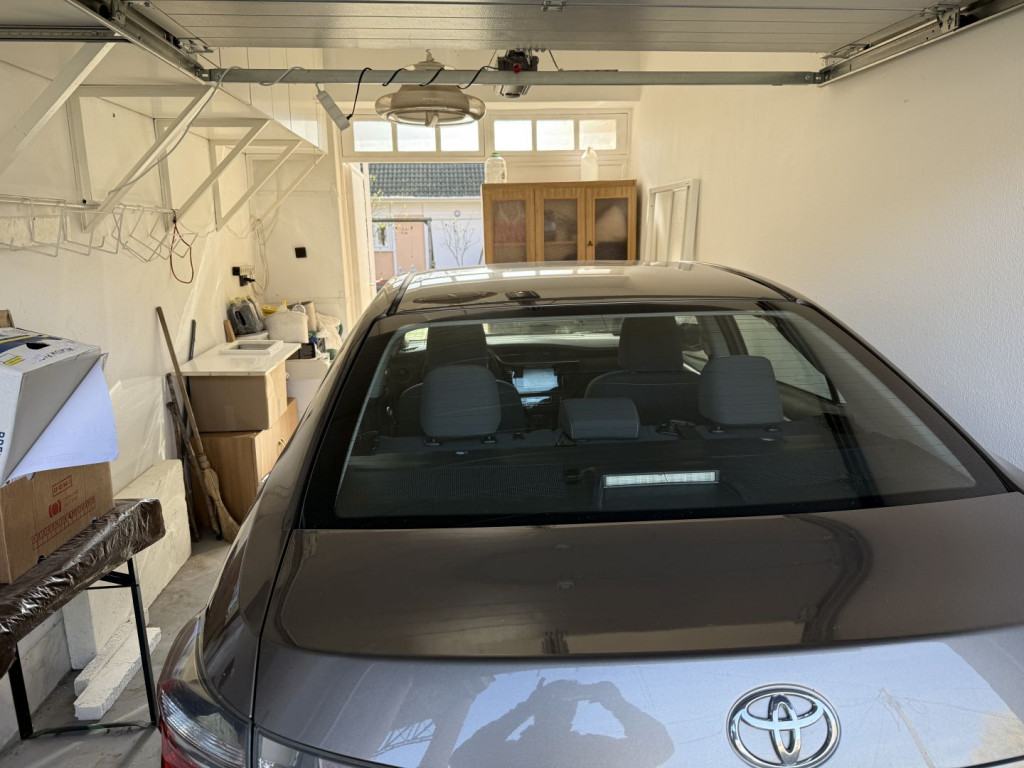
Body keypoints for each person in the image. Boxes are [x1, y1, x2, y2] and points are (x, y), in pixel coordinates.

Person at [450, 679, 674, 768]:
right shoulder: (592, 752)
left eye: (567, 699)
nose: (560, 706)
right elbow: (462, 759)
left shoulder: (591, 751)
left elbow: (659, 749)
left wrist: (525, 709)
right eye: (553, 699)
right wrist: (618, 705)